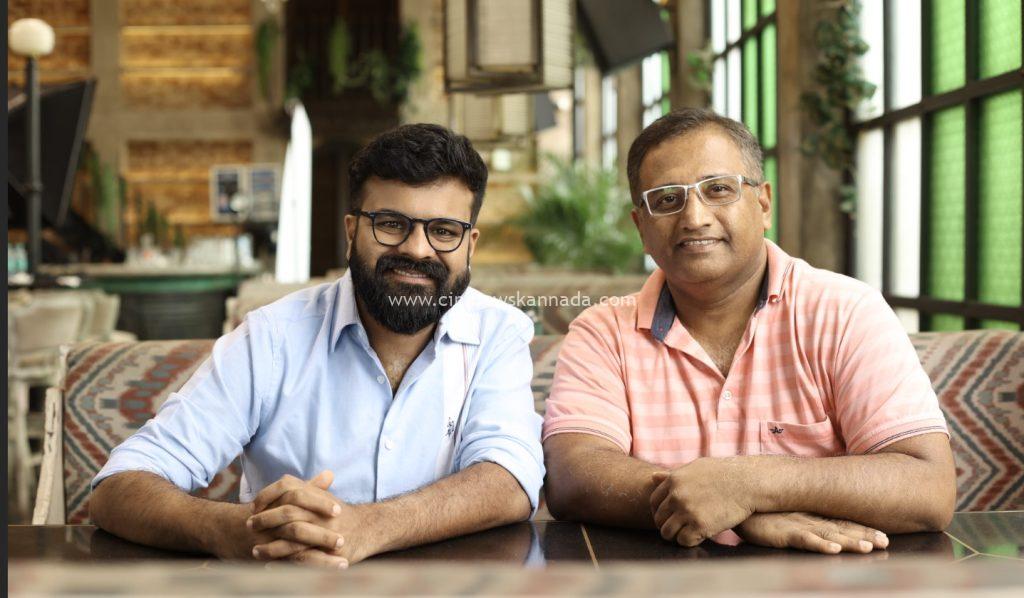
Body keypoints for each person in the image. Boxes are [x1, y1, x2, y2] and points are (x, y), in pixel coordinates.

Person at [90, 124, 544, 568]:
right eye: (391, 224)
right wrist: (233, 530)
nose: (417, 249)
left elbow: (510, 479)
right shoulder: (271, 338)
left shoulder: (497, 333)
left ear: (470, 245)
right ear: (351, 232)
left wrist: (367, 527)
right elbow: (119, 485)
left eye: (444, 230)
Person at [542, 108, 956, 554]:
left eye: (718, 189)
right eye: (667, 199)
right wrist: (736, 511)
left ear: (763, 204)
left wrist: (749, 486)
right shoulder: (602, 333)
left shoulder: (845, 312)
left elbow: (928, 487)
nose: (694, 217)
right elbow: (572, 476)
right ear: (642, 228)